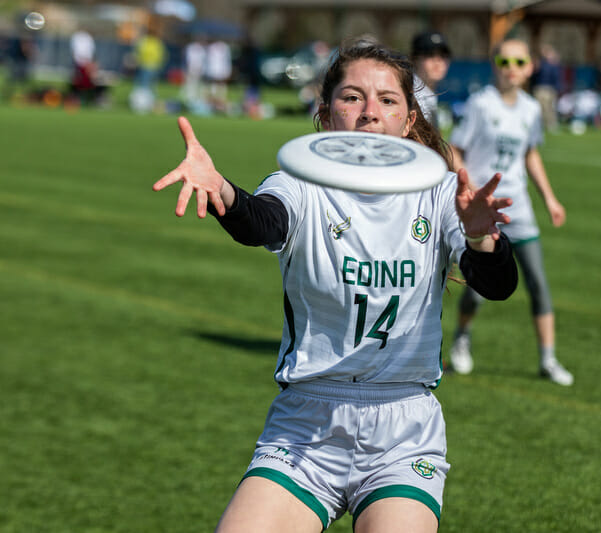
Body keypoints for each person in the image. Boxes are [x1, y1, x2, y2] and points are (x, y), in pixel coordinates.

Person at [153, 40, 518, 532]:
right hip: (305, 427)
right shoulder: (298, 184)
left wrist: (479, 234)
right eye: (352, 97)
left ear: (409, 119)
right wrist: (220, 188)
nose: (370, 113)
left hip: (402, 429)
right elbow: (261, 223)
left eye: (388, 100)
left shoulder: (439, 194)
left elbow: (496, 284)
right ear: (324, 114)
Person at [447, 37, 573, 386]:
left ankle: (548, 359)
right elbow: (455, 148)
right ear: (495, 66)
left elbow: (530, 154)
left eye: (519, 63)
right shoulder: (480, 104)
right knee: (477, 289)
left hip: (519, 209)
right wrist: (469, 191)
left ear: (530, 67)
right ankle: (461, 339)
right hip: (486, 213)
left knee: (538, 284)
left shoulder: (532, 109)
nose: (511, 69)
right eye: (504, 62)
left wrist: (550, 198)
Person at [410, 31, 451, 127]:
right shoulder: (411, 95)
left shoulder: (429, 95)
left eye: (443, 55)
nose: (437, 61)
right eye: (429, 54)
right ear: (415, 59)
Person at [531, 43, 561, 132]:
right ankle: (540, 125)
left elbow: (556, 77)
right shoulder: (539, 63)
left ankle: (551, 125)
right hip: (540, 88)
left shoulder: (553, 65)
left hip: (549, 89)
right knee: (540, 108)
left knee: (550, 108)